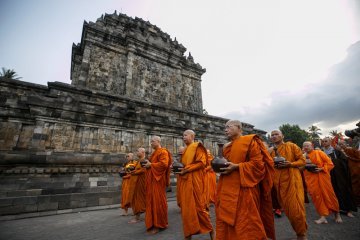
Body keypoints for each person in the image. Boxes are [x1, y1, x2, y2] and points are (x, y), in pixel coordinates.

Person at [216, 120, 275, 240]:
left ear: (239, 128)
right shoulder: (227, 146)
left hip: (245, 189)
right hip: (227, 188)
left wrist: (237, 166)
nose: (225, 129)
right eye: (225, 127)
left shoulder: (250, 141)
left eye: (229, 127)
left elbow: (258, 165)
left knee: (246, 222)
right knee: (225, 220)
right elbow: (225, 164)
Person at [269, 130, 308, 240]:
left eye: (277, 134)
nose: (274, 136)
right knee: (289, 211)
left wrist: (290, 164)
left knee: (296, 211)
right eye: (272, 135)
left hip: (293, 181)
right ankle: (299, 233)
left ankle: (302, 234)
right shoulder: (271, 150)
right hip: (279, 183)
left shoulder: (291, 146)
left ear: (282, 136)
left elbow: (302, 161)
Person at [177, 129, 214, 240]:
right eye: (182, 135)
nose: (183, 137)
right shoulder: (186, 150)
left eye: (186, 135)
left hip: (195, 182)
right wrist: (178, 167)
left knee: (199, 208)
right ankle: (188, 235)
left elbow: (201, 163)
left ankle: (212, 231)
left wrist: (187, 169)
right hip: (185, 181)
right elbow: (184, 164)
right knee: (187, 210)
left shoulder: (197, 146)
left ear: (192, 136)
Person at [302, 141, 343, 224]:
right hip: (311, 180)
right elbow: (302, 167)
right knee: (317, 197)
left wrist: (321, 169)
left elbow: (330, 164)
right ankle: (322, 216)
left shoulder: (319, 152)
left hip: (323, 178)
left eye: (308, 145)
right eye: (304, 146)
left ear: (312, 146)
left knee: (330, 196)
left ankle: (337, 214)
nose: (306, 147)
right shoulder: (303, 156)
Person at [142, 136, 172, 234]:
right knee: (151, 202)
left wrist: (151, 165)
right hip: (152, 181)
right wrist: (148, 165)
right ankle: (153, 223)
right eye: (151, 141)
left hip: (158, 181)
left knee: (158, 202)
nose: (151, 143)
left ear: (158, 141)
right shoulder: (154, 153)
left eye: (153, 141)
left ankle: (160, 224)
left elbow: (164, 164)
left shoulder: (163, 152)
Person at [322, 137, 357, 217]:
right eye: (323, 141)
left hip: (339, 175)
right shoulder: (321, 152)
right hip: (327, 174)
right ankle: (333, 209)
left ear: (330, 142)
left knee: (343, 190)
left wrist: (332, 161)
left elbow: (344, 161)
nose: (324, 142)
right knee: (331, 192)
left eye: (326, 141)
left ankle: (347, 210)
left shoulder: (336, 152)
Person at [338, 139, 360, 206]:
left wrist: (348, 157)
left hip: (355, 170)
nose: (341, 145)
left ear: (346, 144)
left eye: (342, 144)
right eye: (339, 144)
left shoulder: (351, 150)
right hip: (346, 171)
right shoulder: (339, 152)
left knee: (355, 186)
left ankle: (357, 202)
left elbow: (359, 158)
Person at [128, 148, 147, 224]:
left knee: (139, 199)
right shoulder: (138, 161)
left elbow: (143, 170)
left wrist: (134, 172)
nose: (136, 152)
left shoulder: (144, 161)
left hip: (141, 183)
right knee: (136, 199)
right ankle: (138, 215)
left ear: (142, 152)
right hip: (136, 183)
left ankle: (137, 217)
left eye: (138, 151)